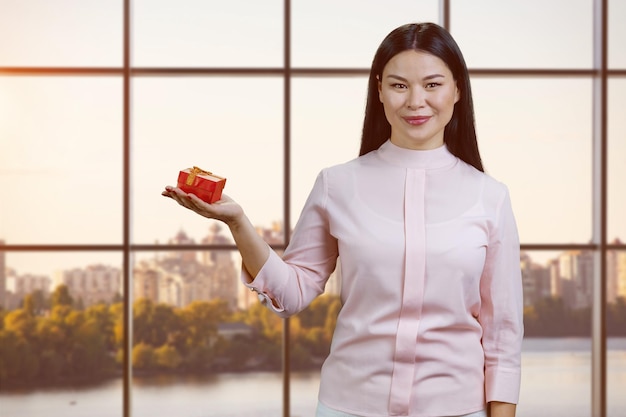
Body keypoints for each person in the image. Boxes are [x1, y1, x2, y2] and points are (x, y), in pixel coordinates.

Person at [162, 22, 523, 417]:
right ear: (379, 89)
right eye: (400, 85)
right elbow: (292, 293)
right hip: (348, 406)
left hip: (456, 408)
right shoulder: (338, 184)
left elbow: (502, 335)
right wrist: (238, 222)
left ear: (457, 90)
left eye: (433, 85)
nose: (416, 101)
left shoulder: (490, 197)